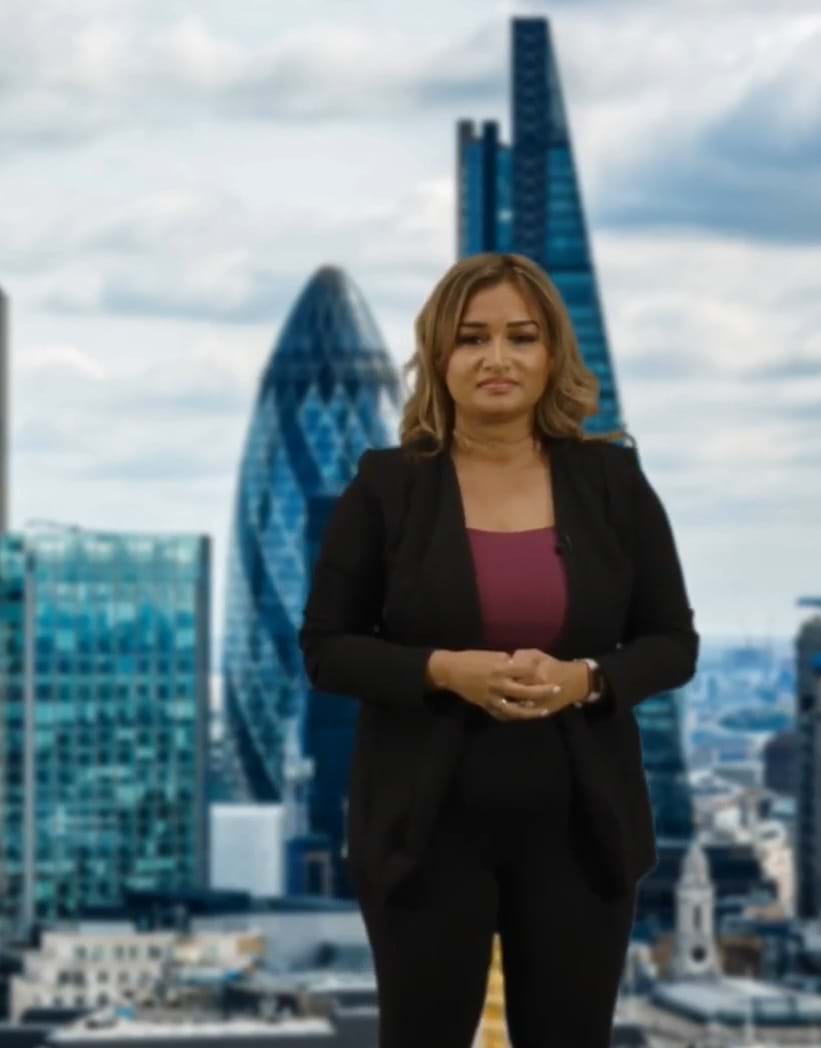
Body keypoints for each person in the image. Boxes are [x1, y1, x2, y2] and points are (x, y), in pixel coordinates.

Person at [298, 252, 699, 1046]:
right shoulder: (387, 487)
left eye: (521, 337)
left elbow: (672, 644)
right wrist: (445, 670)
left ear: (552, 354)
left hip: (582, 829)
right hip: (423, 832)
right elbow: (326, 648)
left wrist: (586, 680)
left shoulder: (612, 483)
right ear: (439, 356)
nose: (497, 359)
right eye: (472, 338)